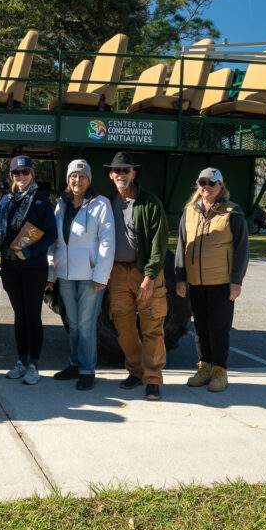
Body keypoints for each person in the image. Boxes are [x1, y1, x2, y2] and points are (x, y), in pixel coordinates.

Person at [174, 167, 249, 393]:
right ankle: (204, 367)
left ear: (221, 187)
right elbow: (181, 245)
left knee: (219, 328)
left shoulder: (232, 213)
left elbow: (242, 249)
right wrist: (180, 277)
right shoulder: (189, 211)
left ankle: (220, 371)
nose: (206, 187)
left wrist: (236, 280)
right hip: (196, 282)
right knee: (201, 328)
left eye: (211, 183)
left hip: (222, 282)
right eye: (202, 182)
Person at [105, 152, 169, 401]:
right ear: (111, 175)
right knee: (123, 326)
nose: (121, 175)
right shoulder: (106, 202)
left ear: (134, 174)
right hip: (118, 272)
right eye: (117, 171)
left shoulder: (150, 202)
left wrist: (150, 275)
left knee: (152, 325)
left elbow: (159, 241)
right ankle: (135, 370)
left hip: (144, 272)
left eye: (126, 171)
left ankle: (153, 379)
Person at [47, 159, 115, 391]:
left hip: (89, 276)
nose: (77, 180)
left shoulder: (100, 204)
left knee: (86, 325)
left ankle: (87, 370)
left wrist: (101, 276)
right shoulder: (61, 205)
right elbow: (55, 242)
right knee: (73, 323)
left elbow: (107, 241)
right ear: (68, 179)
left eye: (82, 176)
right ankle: (75, 364)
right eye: (73, 176)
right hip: (65, 274)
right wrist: (51, 273)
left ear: (89, 180)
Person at [0, 156, 56, 386]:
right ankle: (21, 360)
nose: (21, 177)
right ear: (12, 176)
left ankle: (34, 365)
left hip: (33, 267)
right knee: (19, 315)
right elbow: (0, 230)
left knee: (32, 315)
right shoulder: (6, 201)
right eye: (16, 173)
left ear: (32, 174)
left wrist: (30, 252)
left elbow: (51, 234)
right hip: (10, 267)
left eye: (25, 172)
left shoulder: (41, 202)